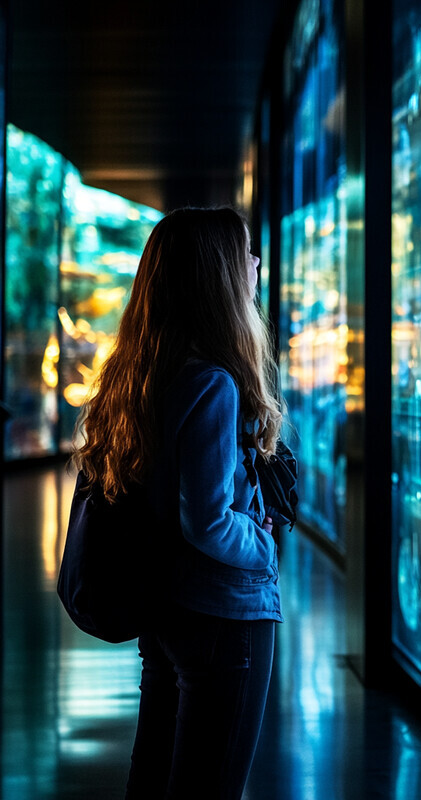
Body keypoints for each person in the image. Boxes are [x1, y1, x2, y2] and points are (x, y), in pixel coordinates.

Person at [73, 207, 284, 799]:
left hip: (168, 608)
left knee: (155, 773)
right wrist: (263, 542)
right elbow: (209, 519)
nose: (256, 265)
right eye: (245, 253)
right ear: (216, 274)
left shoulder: (146, 375)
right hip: (224, 610)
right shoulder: (213, 382)